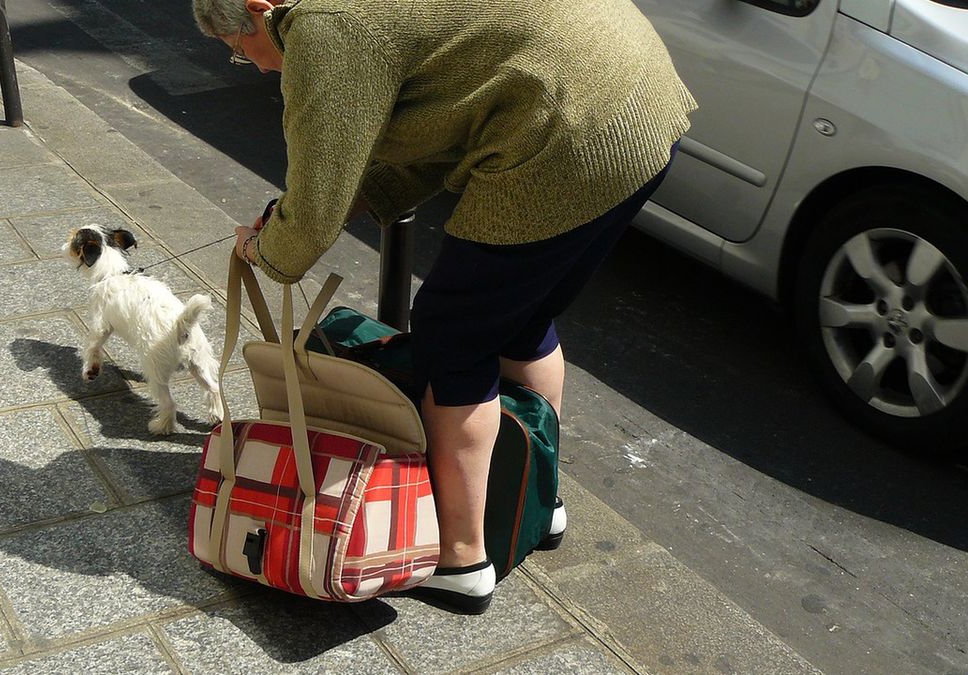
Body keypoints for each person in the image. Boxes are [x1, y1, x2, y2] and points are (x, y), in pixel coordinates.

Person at [192, 0, 696, 613]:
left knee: (454, 337)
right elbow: (438, 125)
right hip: (640, 99)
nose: (260, 68)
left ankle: (462, 558)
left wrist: (268, 249)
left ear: (258, 8)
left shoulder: (320, 26)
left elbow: (317, 197)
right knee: (523, 318)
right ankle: (535, 498)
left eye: (243, 52)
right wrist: (348, 204)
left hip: (564, 130)